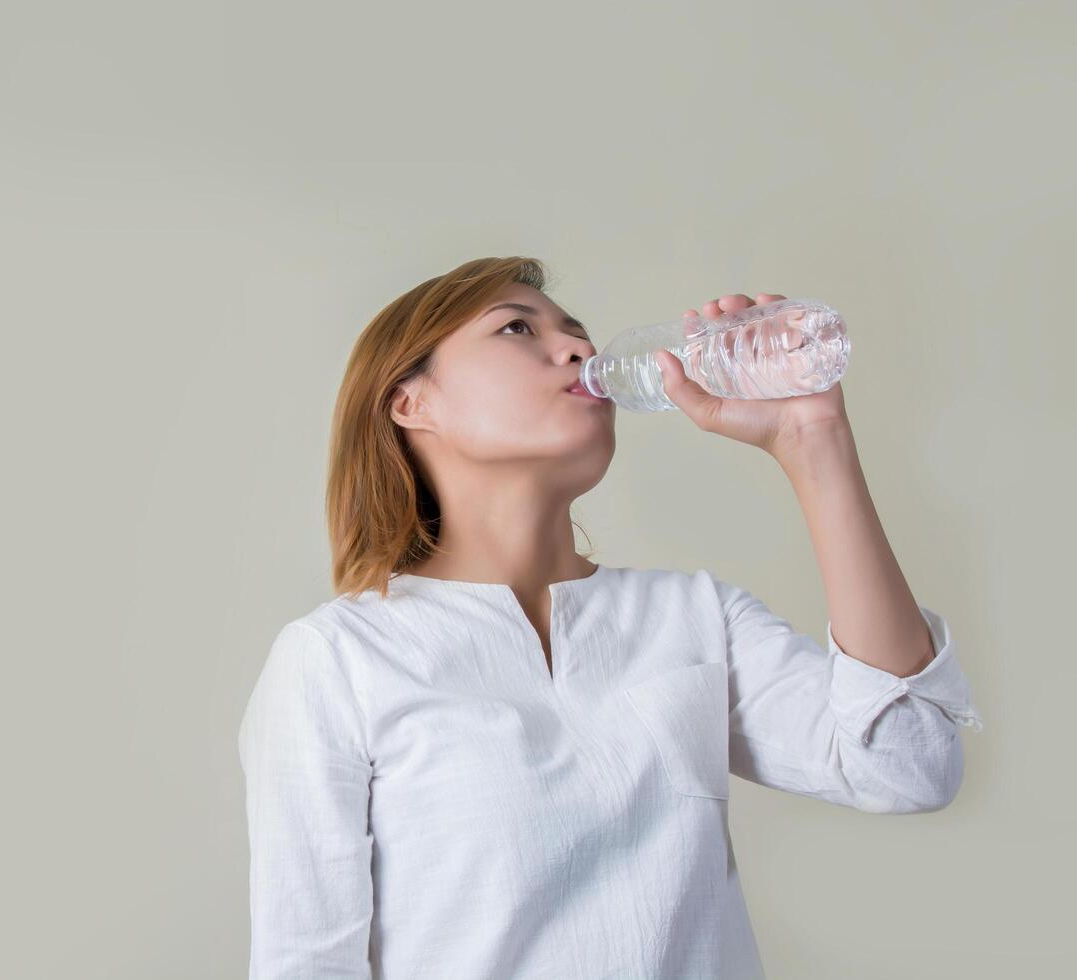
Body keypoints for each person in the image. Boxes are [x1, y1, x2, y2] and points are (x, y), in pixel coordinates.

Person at [237, 256, 983, 979]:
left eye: (576, 330)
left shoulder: (693, 617)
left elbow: (907, 767)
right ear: (412, 403)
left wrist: (815, 444)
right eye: (515, 330)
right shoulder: (340, 659)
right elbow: (305, 962)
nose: (577, 348)